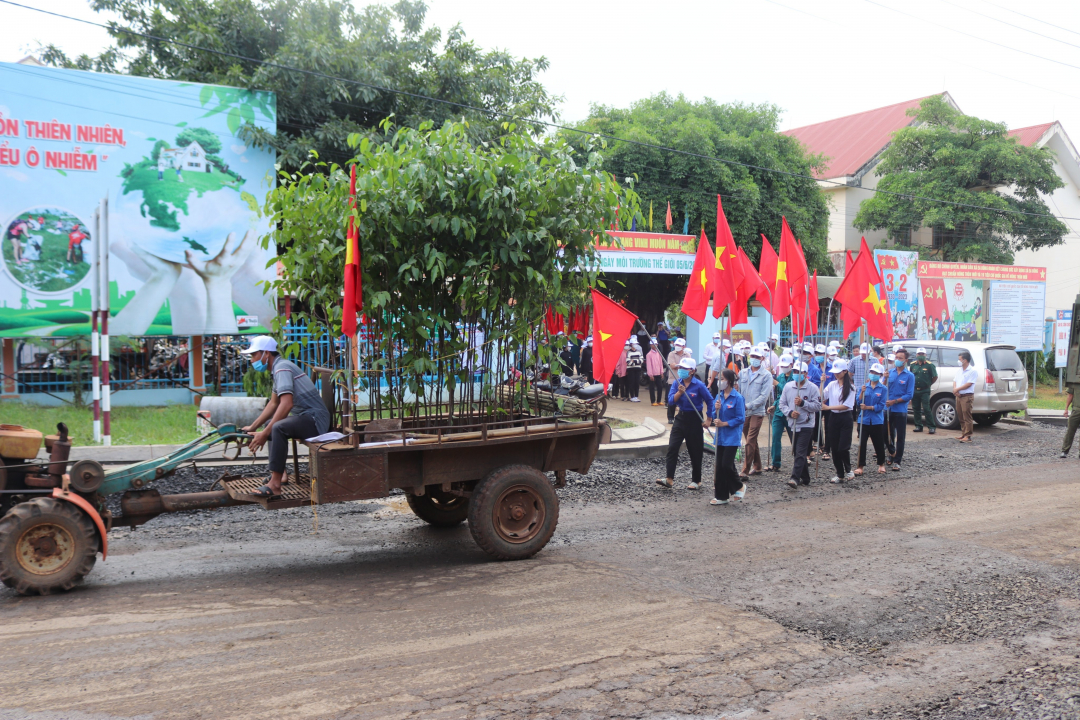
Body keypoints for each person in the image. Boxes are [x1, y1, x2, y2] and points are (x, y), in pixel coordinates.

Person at [241, 335, 331, 497]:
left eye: (254, 355)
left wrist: (265, 433)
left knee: (277, 427)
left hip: (315, 420)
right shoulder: (278, 368)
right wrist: (253, 428)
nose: (252, 360)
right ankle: (280, 474)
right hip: (307, 417)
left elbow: (286, 404)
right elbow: (273, 404)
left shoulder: (281, 368)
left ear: (266, 354)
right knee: (271, 424)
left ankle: (274, 485)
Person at [658, 357, 715, 490]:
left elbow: (710, 400)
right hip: (681, 418)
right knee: (672, 447)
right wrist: (679, 392)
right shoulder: (677, 383)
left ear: (692, 371)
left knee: (695, 450)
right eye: (680, 368)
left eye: (684, 369)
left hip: (695, 419)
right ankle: (669, 478)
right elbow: (671, 401)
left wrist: (709, 419)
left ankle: (696, 480)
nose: (681, 371)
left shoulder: (699, 385)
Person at [778, 361, 822, 488]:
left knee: (801, 451)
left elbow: (818, 406)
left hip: (806, 425)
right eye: (795, 372)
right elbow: (782, 404)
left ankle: (794, 478)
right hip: (792, 424)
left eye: (800, 372)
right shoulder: (788, 387)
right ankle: (805, 477)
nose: (797, 374)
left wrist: (803, 404)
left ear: (806, 374)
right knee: (797, 452)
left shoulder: (813, 388)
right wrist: (790, 412)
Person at [710, 368, 746, 505]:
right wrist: (716, 409)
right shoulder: (718, 396)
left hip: (731, 437)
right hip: (720, 436)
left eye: (722, 379)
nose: (720, 382)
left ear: (729, 381)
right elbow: (713, 415)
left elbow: (740, 418)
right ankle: (721, 496)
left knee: (726, 465)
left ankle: (739, 485)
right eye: (719, 379)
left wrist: (725, 423)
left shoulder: (737, 398)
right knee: (719, 467)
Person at [738, 346, 772, 477]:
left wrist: (749, 405)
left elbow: (764, 397)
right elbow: (739, 390)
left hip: (757, 411)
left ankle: (745, 470)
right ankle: (757, 465)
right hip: (744, 410)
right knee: (750, 439)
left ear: (762, 358)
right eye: (752, 356)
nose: (754, 359)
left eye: (757, 357)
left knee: (750, 439)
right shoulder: (743, 373)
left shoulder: (766, 375)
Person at [822, 358, 856, 483]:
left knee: (843, 447)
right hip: (833, 418)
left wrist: (828, 407)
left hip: (845, 417)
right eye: (834, 372)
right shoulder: (831, 385)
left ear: (845, 371)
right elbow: (822, 396)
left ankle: (848, 470)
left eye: (838, 372)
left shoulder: (851, 387)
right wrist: (822, 383)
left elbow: (847, 405)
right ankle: (839, 474)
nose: (836, 374)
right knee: (834, 448)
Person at [855, 362, 889, 475]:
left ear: (880, 375)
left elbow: (881, 405)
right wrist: (861, 393)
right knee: (862, 443)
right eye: (872, 372)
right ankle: (860, 466)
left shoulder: (883, 388)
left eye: (876, 373)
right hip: (863, 419)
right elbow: (858, 401)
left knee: (878, 443)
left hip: (876, 420)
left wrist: (868, 407)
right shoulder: (864, 387)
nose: (873, 374)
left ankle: (881, 464)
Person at [884, 349, 914, 470]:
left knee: (900, 436)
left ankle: (897, 460)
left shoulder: (909, 376)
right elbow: (883, 388)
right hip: (888, 409)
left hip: (900, 409)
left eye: (900, 358)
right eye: (896, 357)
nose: (897, 360)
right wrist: (885, 378)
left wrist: (895, 401)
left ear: (906, 361)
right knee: (886, 434)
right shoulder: (889, 373)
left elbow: (909, 395)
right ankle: (891, 453)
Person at [769, 355, 794, 472]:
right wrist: (774, 405)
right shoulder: (780, 376)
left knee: (794, 438)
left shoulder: (795, 378)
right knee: (775, 437)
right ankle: (775, 462)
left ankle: (799, 461)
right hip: (779, 412)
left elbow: (789, 391)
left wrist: (777, 384)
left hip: (791, 412)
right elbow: (780, 396)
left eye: (785, 366)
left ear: (791, 365)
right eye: (782, 366)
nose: (783, 368)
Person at [910, 347, 938, 434]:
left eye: (922, 354)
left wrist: (928, 384)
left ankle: (931, 427)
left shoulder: (930, 365)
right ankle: (918, 426)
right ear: (916, 355)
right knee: (916, 408)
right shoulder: (913, 365)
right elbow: (911, 376)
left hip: (925, 390)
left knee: (926, 409)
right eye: (919, 354)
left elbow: (935, 377)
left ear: (925, 355)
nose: (921, 356)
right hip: (915, 390)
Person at [954, 350, 978, 442]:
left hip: (967, 396)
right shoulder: (959, 370)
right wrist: (955, 389)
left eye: (960, 359)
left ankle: (968, 436)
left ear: (965, 360)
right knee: (960, 415)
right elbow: (955, 380)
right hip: (959, 396)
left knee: (966, 416)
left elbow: (969, 384)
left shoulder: (972, 371)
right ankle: (963, 433)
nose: (958, 361)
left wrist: (957, 389)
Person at [666, 338, 688, 423]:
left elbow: (688, 367)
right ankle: (670, 417)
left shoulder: (687, 355)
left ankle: (682, 416)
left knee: (684, 398)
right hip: (673, 379)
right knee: (672, 399)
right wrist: (682, 366)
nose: (677, 347)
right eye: (676, 345)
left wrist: (678, 365)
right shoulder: (671, 354)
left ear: (683, 346)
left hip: (684, 380)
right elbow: (672, 365)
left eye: (679, 345)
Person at [646, 339, 666, 406]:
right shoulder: (649, 354)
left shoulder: (659, 353)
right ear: (651, 345)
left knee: (660, 387)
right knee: (652, 388)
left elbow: (661, 363)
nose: (655, 345)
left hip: (658, 373)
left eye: (656, 344)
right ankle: (653, 401)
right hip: (652, 374)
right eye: (654, 344)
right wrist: (650, 375)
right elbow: (649, 365)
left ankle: (659, 400)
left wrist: (661, 372)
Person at [1061, 386, 1080, 458]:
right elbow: (1070, 395)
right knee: (1070, 431)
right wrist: (1066, 409)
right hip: (1076, 410)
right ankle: (1064, 450)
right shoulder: (1075, 382)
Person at [625, 338, 644, 402]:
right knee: (631, 383)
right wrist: (635, 362)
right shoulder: (628, 352)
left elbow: (641, 360)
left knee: (637, 383)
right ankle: (632, 396)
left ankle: (636, 396)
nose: (635, 345)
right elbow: (628, 361)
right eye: (634, 343)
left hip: (637, 369)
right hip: (631, 370)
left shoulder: (638, 352)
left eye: (636, 343)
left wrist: (634, 361)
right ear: (631, 344)